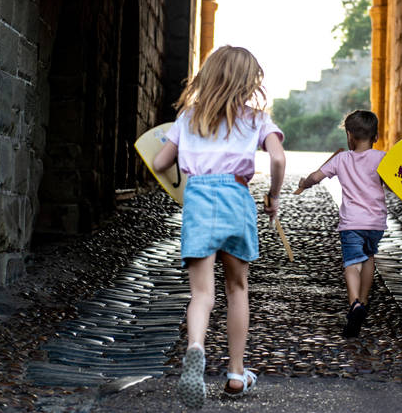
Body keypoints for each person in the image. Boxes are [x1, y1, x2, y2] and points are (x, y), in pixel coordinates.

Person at [152, 46, 285, 408]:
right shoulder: (256, 119)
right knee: (237, 288)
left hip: (198, 200)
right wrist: (273, 196)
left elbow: (160, 160)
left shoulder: (188, 118)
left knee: (201, 294)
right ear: (248, 82)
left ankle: (196, 346)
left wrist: (181, 178)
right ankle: (237, 374)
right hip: (235, 198)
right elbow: (277, 157)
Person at [296, 110, 386, 338]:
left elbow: (316, 177)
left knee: (351, 265)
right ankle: (364, 302)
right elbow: (397, 183)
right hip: (375, 223)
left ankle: (354, 303)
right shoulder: (383, 159)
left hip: (351, 223)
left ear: (349, 136)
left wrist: (304, 183)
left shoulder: (341, 159)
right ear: (376, 136)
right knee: (368, 259)